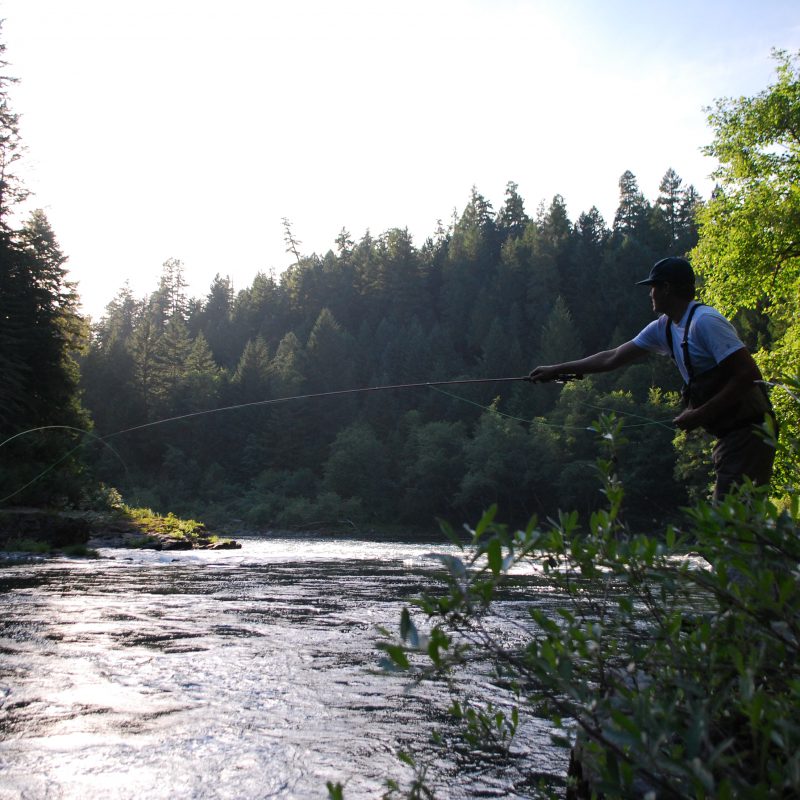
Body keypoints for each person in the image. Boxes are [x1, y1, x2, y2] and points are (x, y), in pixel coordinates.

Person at [528, 256, 776, 500]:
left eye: (653, 287)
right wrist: (557, 369)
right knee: (734, 522)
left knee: (732, 525)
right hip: (731, 435)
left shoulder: (705, 322)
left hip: (750, 431)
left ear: (667, 288)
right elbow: (611, 358)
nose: (650, 294)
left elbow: (748, 375)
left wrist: (701, 414)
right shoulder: (664, 327)